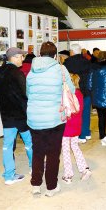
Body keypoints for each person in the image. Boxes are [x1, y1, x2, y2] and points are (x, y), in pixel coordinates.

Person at [26, 41, 74, 197]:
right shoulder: (60, 69)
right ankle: (51, 187)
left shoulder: (32, 71)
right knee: (53, 153)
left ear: (40, 54)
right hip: (55, 118)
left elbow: (27, 93)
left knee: (38, 152)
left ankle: (36, 184)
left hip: (34, 118)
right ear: (55, 55)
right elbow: (71, 89)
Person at [0, 47, 33, 185]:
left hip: (6, 115)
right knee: (29, 143)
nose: (23, 59)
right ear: (15, 57)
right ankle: (34, 168)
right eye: (21, 56)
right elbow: (25, 95)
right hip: (21, 115)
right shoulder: (17, 74)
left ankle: (9, 176)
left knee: (7, 146)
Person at [61, 73, 92, 184]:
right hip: (76, 126)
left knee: (65, 149)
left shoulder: (65, 95)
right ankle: (84, 169)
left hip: (66, 126)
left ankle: (68, 175)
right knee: (75, 146)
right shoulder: (79, 94)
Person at [63, 44, 92, 144]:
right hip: (86, 91)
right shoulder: (87, 62)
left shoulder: (67, 62)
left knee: (75, 113)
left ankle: (80, 135)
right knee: (86, 112)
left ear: (71, 52)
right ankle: (86, 133)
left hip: (74, 91)